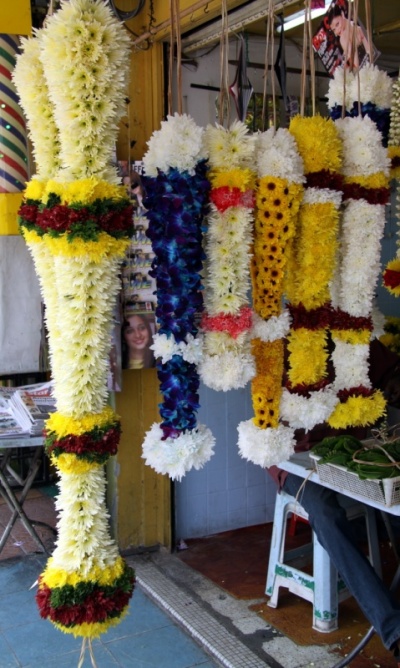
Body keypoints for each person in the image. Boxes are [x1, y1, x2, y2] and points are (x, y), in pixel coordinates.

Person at [268, 337, 400, 665]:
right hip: (294, 458)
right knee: (326, 514)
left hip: (350, 451)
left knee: (395, 501)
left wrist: (391, 386)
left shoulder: (350, 331)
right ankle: (394, 629)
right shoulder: (277, 342)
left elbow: (391, 373)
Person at [327, 3, 371, 70]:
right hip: (370, 65)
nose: (337, 31)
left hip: (362, 70)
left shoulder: (343, 38)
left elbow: (356, 64)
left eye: (337, 24)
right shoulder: (356, 26)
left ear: (342, 14)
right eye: (334, 30)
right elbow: (370, 52)